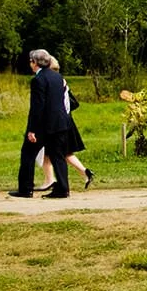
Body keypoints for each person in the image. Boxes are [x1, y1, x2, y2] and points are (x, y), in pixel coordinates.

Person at [11, 49, 71, 199]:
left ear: (35, 62)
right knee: (58, 156)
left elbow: (38, 107)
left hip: (44, 126)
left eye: (31, 61)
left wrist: (32, 129)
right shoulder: (58, 77)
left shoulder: (38, 80)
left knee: (28, 154)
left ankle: (25, 189)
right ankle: (63, 189)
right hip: (60, 123)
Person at [38, 57, 93, 192]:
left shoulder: (54, 82)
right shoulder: (60, 81)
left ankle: (50, 180)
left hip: (58, 122)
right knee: (63, 153)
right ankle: (84, 172)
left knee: (53, 153)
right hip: (66, 121)